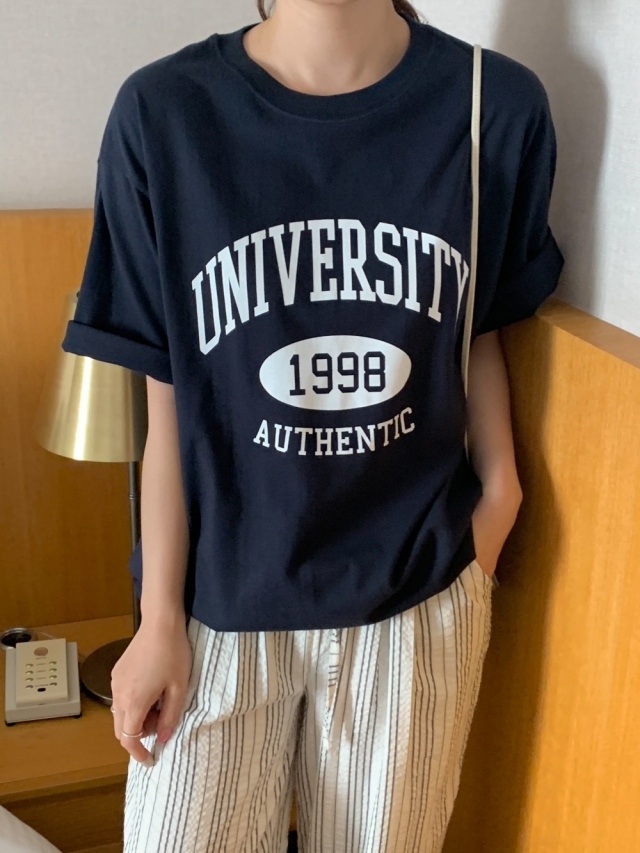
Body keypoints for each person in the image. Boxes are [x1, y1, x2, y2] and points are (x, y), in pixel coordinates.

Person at [61, 0, 564, 850]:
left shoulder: (494, 104)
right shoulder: (164, 114)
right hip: (217, 608)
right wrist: (157, 617)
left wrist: (499, 498)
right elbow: (167, 392)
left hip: (414, 597)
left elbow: (478, 328)